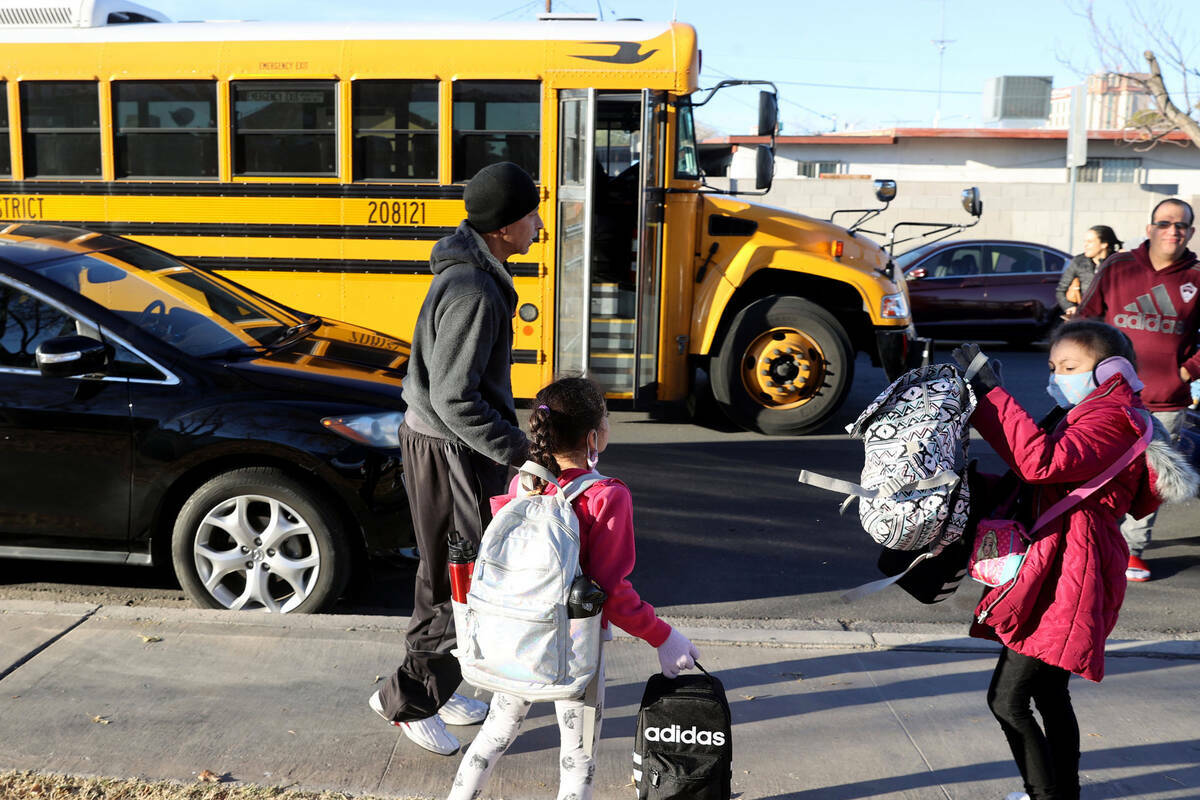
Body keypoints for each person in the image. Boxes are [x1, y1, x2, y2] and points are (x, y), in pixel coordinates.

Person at [952, 321, 1197, 800]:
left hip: (1071, 572)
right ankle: (1061, 793)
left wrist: (992, 397)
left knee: (1007, 699)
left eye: (1070, 367)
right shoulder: (1090, 412)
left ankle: (1047, 796)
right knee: (1046, 693)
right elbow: (1039, 468)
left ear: (1110, 370)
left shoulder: (1111, 418)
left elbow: (1040, 463)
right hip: (1066, 562)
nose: (1057, 376)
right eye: (1053, 367)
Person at [445, 376, 700, 800]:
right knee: (577, 758)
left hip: (513, 641)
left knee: (494, 734)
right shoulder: (605, 497)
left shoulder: (523, 484)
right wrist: (664, 636)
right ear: (594, 436)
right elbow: (611, 592)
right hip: (575, 652)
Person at [369, 161, 540, 755]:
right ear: (504, 229)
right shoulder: (474, 290)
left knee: (460, 573)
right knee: (454, 577)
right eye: (531, 214)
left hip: (447, 444)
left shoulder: (474, 276)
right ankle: (409, 702)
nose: (539, 224)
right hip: (448, 447)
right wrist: (522, 455)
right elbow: (454, 397)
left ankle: (440, 686)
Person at [1077, 197, 1200, 582]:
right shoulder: (1118, 266)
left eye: (1181, 225)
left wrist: (1187, 370)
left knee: (1154, 478)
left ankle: (1131, 550)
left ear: (1191, 233)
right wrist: (1082, 371)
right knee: (1098, 472)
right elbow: (1087, 320)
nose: (1173, 231)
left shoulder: (1197, 277)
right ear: (1149, 229)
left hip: (1167, 399)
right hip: (1109, 395)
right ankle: (1091, 543)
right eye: (1164, 223)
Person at [1056, 225, 1122, 318]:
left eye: (1090, 242)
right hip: (1086, 317)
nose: (1085, 245)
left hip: (1113, 318)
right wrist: (1070, 307)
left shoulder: (1119, 262)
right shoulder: (1078, 262)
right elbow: (1061, 290)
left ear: (1104, 244)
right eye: (1085, 241)